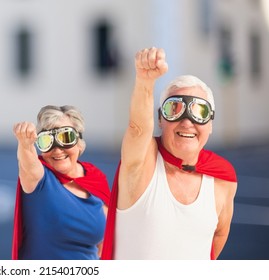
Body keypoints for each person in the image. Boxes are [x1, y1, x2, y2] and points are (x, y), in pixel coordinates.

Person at [102, 47, 238, 260]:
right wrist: (145, 82)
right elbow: (138, 129)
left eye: (199, 112)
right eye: (173, 109)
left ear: (210, 124)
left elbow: (216, 239)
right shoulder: (142, 164)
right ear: (159, 119)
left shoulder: (223, 180)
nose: (186, 121)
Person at [11, 105, 111, 259]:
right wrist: (25, 143)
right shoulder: (40, 180)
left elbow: (104, 242)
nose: (57, 150)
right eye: (47, 141)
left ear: (79, 142)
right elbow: (27, 163)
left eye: (66, 138)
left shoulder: (95, 177)